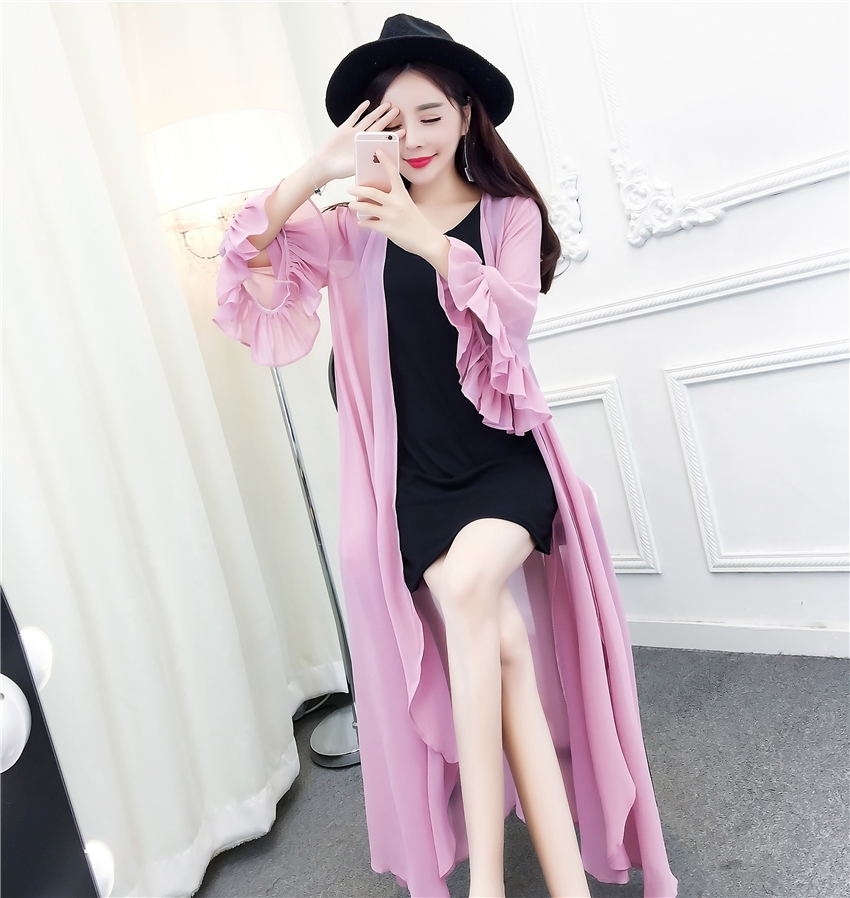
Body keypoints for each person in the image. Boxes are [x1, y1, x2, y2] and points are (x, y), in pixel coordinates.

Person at [213, 14, 678, 898]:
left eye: (430, 115)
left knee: (469, 591)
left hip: (506, 467)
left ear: (466, 115)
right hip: (415, 484)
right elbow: (249, 254)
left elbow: (513, 315)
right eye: (391, 123)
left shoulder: (508, 214)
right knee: (500, 641)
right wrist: (317, 170)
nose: (414, 137)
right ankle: (565, 886)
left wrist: (426, 238)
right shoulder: (352, 230)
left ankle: (488, 885)